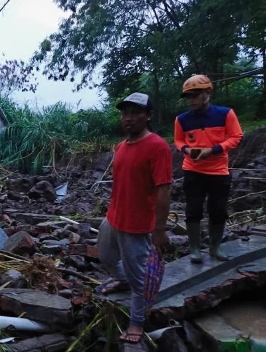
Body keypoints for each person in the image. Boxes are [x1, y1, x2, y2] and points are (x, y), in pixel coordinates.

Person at [97, 93, 171, 344]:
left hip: (137, 225)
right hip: (113, 217)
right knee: (106, 257)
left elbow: (163, 190)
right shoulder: (121, 146)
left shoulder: (157, 146)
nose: (128, 118)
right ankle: (123, 279)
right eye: (124, 113)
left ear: (148, 115)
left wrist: (159, 229)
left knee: (140, 280)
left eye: (135, 112)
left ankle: (137, 323)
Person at [174, 75, 243, 263]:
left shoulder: (225, 114)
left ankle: (215, 247)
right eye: (188, 96)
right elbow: (179, 140)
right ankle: (194, 248)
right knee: (193, 210)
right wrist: (187, 149)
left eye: (195, 95)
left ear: (208, 92)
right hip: (192, 170)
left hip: (218, 171)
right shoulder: (182, 120)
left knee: (218, 209)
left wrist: (213, 150)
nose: (191, 99)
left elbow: (236, 136)